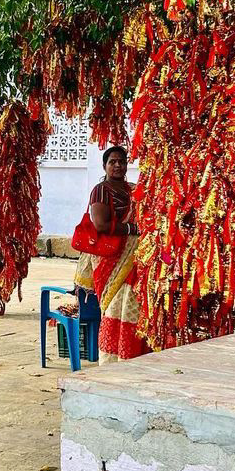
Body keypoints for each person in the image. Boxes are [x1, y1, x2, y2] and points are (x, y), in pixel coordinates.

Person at [74, 146, 148, 361]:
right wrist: (132, 229)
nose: (117, 165)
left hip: (134, 257)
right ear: (105, 165)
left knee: (132, 303)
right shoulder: (101, 190)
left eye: (122, 162)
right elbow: (101, 225)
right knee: (115, 305)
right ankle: (111, 358)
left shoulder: (133, 189)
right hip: (112, 258)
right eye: (112, 161)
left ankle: (131, 354)